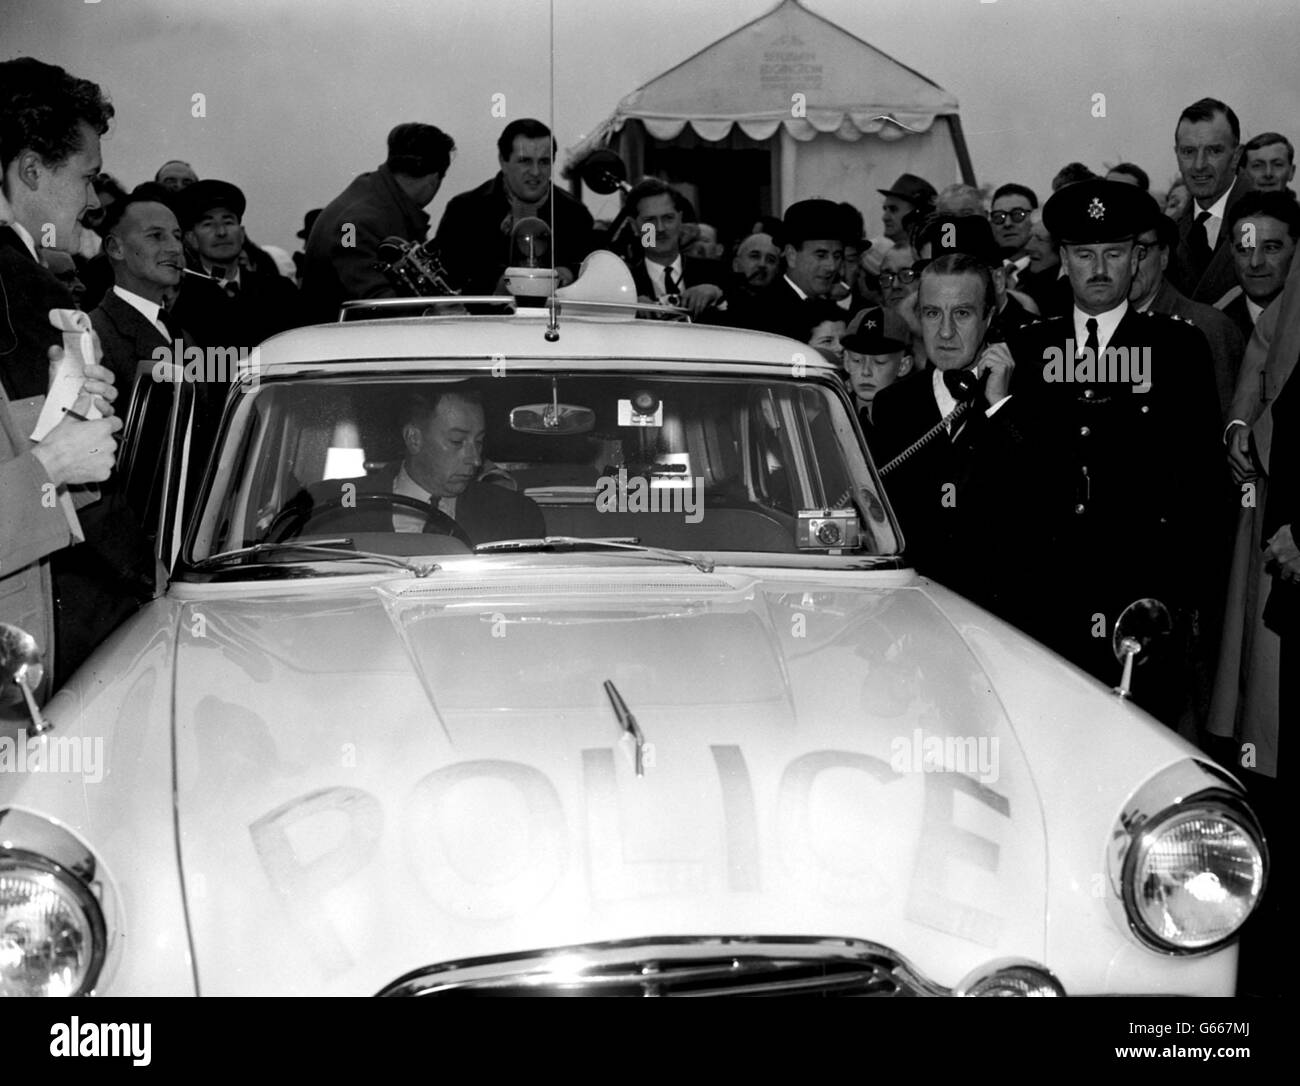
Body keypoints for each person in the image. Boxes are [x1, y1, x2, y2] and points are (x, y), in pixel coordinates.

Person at [1010, 179, 1225, 728]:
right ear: (1063, 260)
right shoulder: (1031, 349)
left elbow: (1202, 481)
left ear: (1138, 259)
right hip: (1049, 596)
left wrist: (1180, 603)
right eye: (1084, 254)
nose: (1099, 268)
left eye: (1114, 253)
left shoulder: (1176, 349)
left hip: (1141, 597)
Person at [0, 56, 128, 696]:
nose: (94, 199)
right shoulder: (18, 288)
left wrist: (61, 422)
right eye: (87, 176)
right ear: (29, 170)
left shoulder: (30, 282)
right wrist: (55, 463)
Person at [871, 254, 1045, 628]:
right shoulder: (892, 405)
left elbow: (1041, 499)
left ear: (989, 317)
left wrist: (999, 406)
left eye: (962, 314)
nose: (945, 332)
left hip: (1002, 616)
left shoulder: (1027, 399)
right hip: (913, 614)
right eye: (933, 313)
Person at [301, 122, 455, 322]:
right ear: (433, 179)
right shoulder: (353, 224)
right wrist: (437, 315)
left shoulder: (365, 205)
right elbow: (373, 300)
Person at [434, 119, 593, 296]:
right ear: (503, 161)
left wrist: (569, 273)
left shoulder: (576, 215)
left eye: (544, 162)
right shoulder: (464, 211)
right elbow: (446, 283)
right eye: (525, 161)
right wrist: (496, 283)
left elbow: (589, 274)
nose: (535, 172)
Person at [1129, 212, 1245, 417]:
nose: (1128, 266)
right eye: (1115, 253)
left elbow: (1224, 426)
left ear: (1164, 256)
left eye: (1141, 252)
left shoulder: (1207, 329)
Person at [171, 179, 304, 349]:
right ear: (191, 239)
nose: (221, 232)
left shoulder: (279, 290)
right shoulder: (183, 300)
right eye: (208, 224)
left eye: (228, 222)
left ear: (241, 234)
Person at [89, 192, 189, 400]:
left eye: (177, 236)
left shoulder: (182, 333)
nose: (175, 248)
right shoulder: (94, 336)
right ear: (116, 248)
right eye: (156, 236)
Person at [1168, 97, 1255, 304]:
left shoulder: (1273, 223)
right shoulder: (1171, 231)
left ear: (1236, 156)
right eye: (1188, 152)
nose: (1199, 165)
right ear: (1177, 154)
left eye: (1214, 151)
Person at [726, 199, 847, 340]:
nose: (832, 266)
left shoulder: (834, 314)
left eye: (837, 256)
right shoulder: (758, 312)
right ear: (791, 255)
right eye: (821, 255)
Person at [914, 213, 1040, 342]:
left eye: (963, 275)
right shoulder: (929, 333)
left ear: (998, 280)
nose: (949, 285)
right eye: (941, 274)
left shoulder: (1035, 338)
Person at [621, 178, 726, 319]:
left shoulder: (716, 273)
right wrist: (627, 306)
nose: (660, 228)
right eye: (650, 220)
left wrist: (717, 294)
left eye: (668, 218)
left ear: (680, 219)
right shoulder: (624, 285)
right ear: (634, 226)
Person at [1215, 190, 1300, 336]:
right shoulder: (1215, 326)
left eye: (1270, 248)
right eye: (1244, 250)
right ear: (1231, 250)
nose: (1255, 262)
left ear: (1296, 249)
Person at [839, 304, 913, 454]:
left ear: (903, 366)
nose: (866, 372)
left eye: (879, 362)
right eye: (856, 360)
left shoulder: (917, 423)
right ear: (846, 361)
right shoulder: (833, 415)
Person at [863, 173, 935, 276]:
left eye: (893, 209)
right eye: (885, 209)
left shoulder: (933, 260)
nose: (885, 217)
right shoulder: (873, 258)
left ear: (916, 214)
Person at [1016, 209, 1072, 319]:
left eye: (1039, 240)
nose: (1028, 247)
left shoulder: (1074, 291)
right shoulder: (1023, 280)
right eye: (1030, 238)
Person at [990, 183, 1038, 270]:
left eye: (1018, 215)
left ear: (1035, 219)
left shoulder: (1056, 275)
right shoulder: (983, 275)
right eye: (999, 216)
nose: (1007, 224)